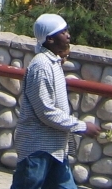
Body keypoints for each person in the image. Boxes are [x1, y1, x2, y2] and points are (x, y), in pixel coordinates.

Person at [10, 14, 101, 189]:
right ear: (50, 39)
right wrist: (81, 126)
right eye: (63, 32)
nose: (68, 35)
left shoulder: (53, 63)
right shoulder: (41, 66)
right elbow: (46, 112)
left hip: (56, 150)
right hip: (37, 150)